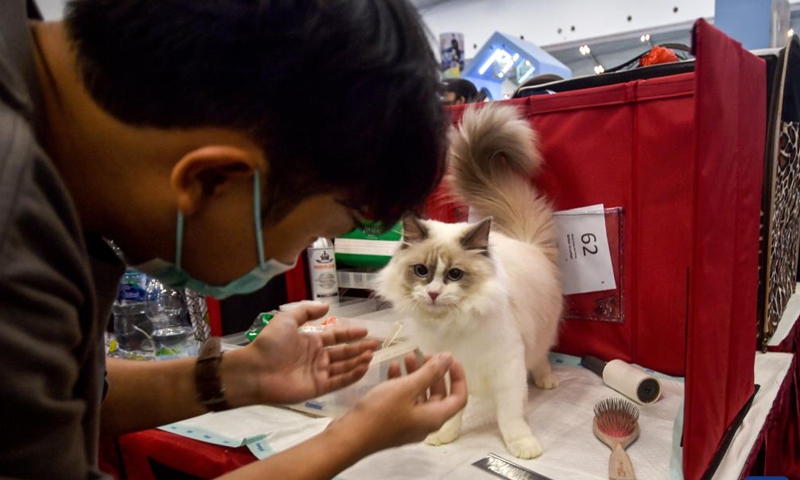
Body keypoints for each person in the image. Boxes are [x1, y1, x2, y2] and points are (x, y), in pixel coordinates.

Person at [0, 0, 468, 479]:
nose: (290, 263)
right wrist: (352, 439)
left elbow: (40, 404)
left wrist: (235, 377)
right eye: (312, 234)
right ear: (211, 180)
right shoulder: (14, 229)